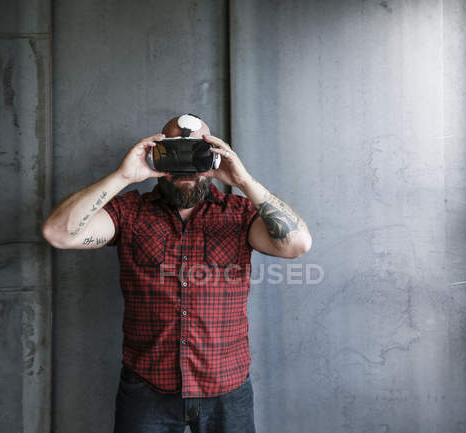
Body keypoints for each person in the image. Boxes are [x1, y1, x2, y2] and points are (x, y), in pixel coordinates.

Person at [41, 114, 312, 433]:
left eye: (197, 154)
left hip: (227, 388)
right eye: (174, 153)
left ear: (214, 156)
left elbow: (298, 244)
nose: (187, 167)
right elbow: (58, 234)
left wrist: (243, 181)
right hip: (146, 389)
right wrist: (124, 175)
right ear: (156, 152)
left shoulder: (239, 214)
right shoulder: (130, 212)